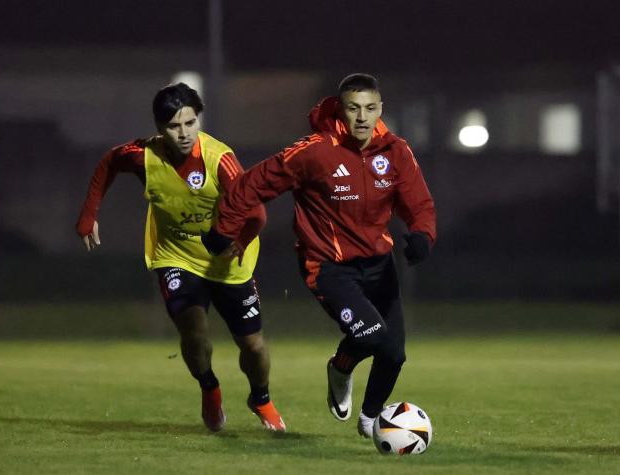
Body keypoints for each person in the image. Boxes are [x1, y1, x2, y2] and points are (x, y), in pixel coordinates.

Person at [202, 73, 436, 437]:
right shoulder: (314, 151)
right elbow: (253, 184)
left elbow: (418, 202)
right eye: (354, 108)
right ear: (341, 110)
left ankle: (371, 420)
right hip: (329, 267)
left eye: (370, 108)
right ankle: (340, 369)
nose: (362, 117)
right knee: (372, 334)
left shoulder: (396, 151)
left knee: (393, 354)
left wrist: (423, 234)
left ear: (380, 110)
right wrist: (224, 229)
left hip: (378, 265)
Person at [75, 83, 286, 432]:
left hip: (229, 261)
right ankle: (209, 388)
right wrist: (89, 213)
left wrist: (242, 241)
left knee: (253, 345)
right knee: (194, 334)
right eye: (174, 126)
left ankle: (260, 398)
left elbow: (257, 214)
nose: (184, 133)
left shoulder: (220, 159)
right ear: (159, 129)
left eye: (190, 123)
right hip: (176, 256)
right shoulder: (144, 156)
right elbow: (109, 161)